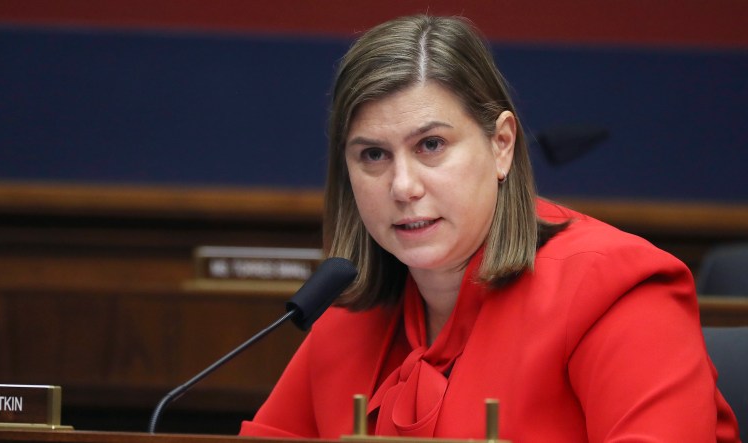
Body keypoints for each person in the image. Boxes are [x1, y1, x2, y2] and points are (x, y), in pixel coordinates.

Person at [240, 15, 740, 442]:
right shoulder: (348, 316)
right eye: (373, 154)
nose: (403, 185)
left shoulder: (614, 292)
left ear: (501, 144)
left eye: (431, 145)